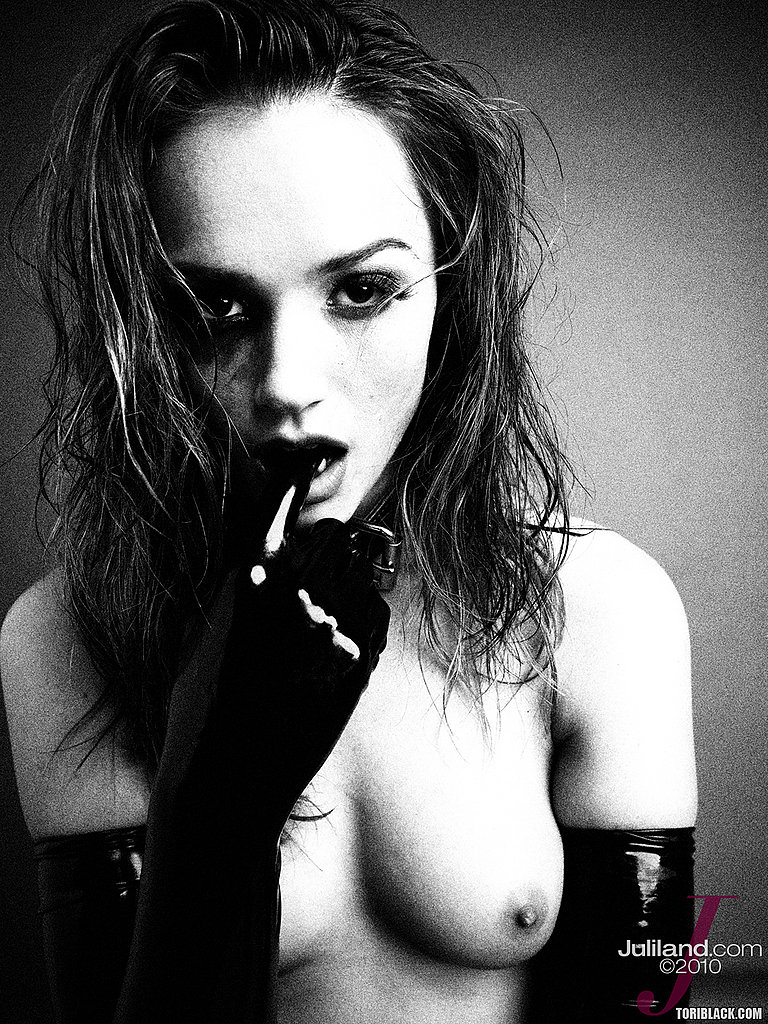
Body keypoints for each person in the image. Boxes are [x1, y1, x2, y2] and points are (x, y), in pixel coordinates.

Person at [0, 1, 697, 1021]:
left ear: (449, 297)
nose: (288, 383)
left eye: (363, 290)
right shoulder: (70, 638)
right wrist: (212, 801)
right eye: (214, 308)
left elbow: (648, 1007)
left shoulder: (594, 612)